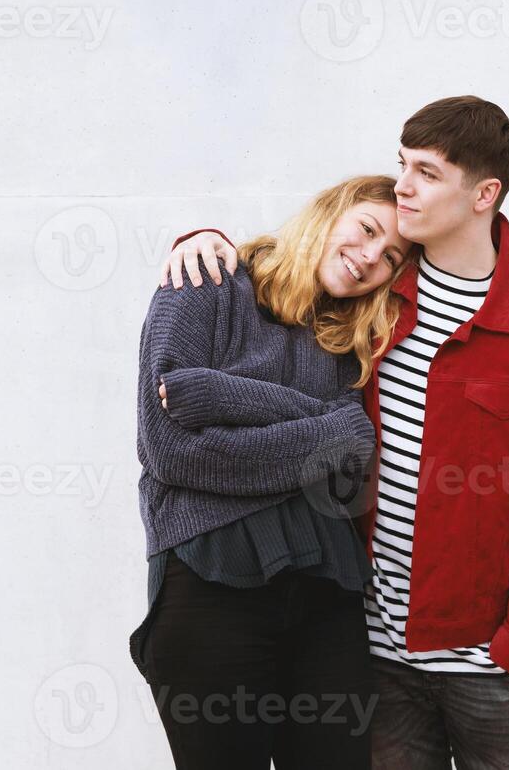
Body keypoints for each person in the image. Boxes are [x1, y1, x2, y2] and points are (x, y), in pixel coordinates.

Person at [159, 96, 509, 769]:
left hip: (486, 660)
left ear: (484, 194)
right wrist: (202, 239)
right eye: (402, 165)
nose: (404, 186)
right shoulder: (373, 304)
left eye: (426, 173)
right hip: (368, 650)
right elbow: (279, 284)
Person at [130, 173, 414, 769]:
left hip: (327, 596)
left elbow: (350, 458)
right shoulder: (205, 284)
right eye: (366, 230)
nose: (370, 259)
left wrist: (215, 396)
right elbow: (171, 451)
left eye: (391, 257)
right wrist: (326, 425)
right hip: (209, 585)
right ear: (326, 212)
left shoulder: (351, 338)